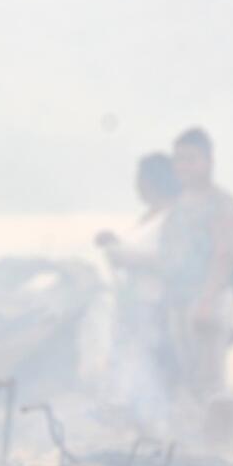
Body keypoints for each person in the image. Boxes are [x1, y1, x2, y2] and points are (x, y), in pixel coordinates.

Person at [96, 153, 180, 434]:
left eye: (140, 179)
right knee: (129, 361)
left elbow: (170, 260)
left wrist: (124, 256)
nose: (137, 185)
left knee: (149, 363)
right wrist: (114, 244)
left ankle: (159, 426)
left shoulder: (173, 216)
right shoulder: (147, 217)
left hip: (154, 301)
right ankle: (137, 425)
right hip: (132, 301)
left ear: (154, 181)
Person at [161, 129, 233, 404]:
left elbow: (224, 254)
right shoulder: (179, 203)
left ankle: (221, 440)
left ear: (208, 161)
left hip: (209, 299)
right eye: (178, 160)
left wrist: (206, 301)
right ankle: (197, 438)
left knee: (212, 380)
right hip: (180, 299)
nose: (183, 167)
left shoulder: (220, 202)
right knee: (190, 376)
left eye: (191, 159)